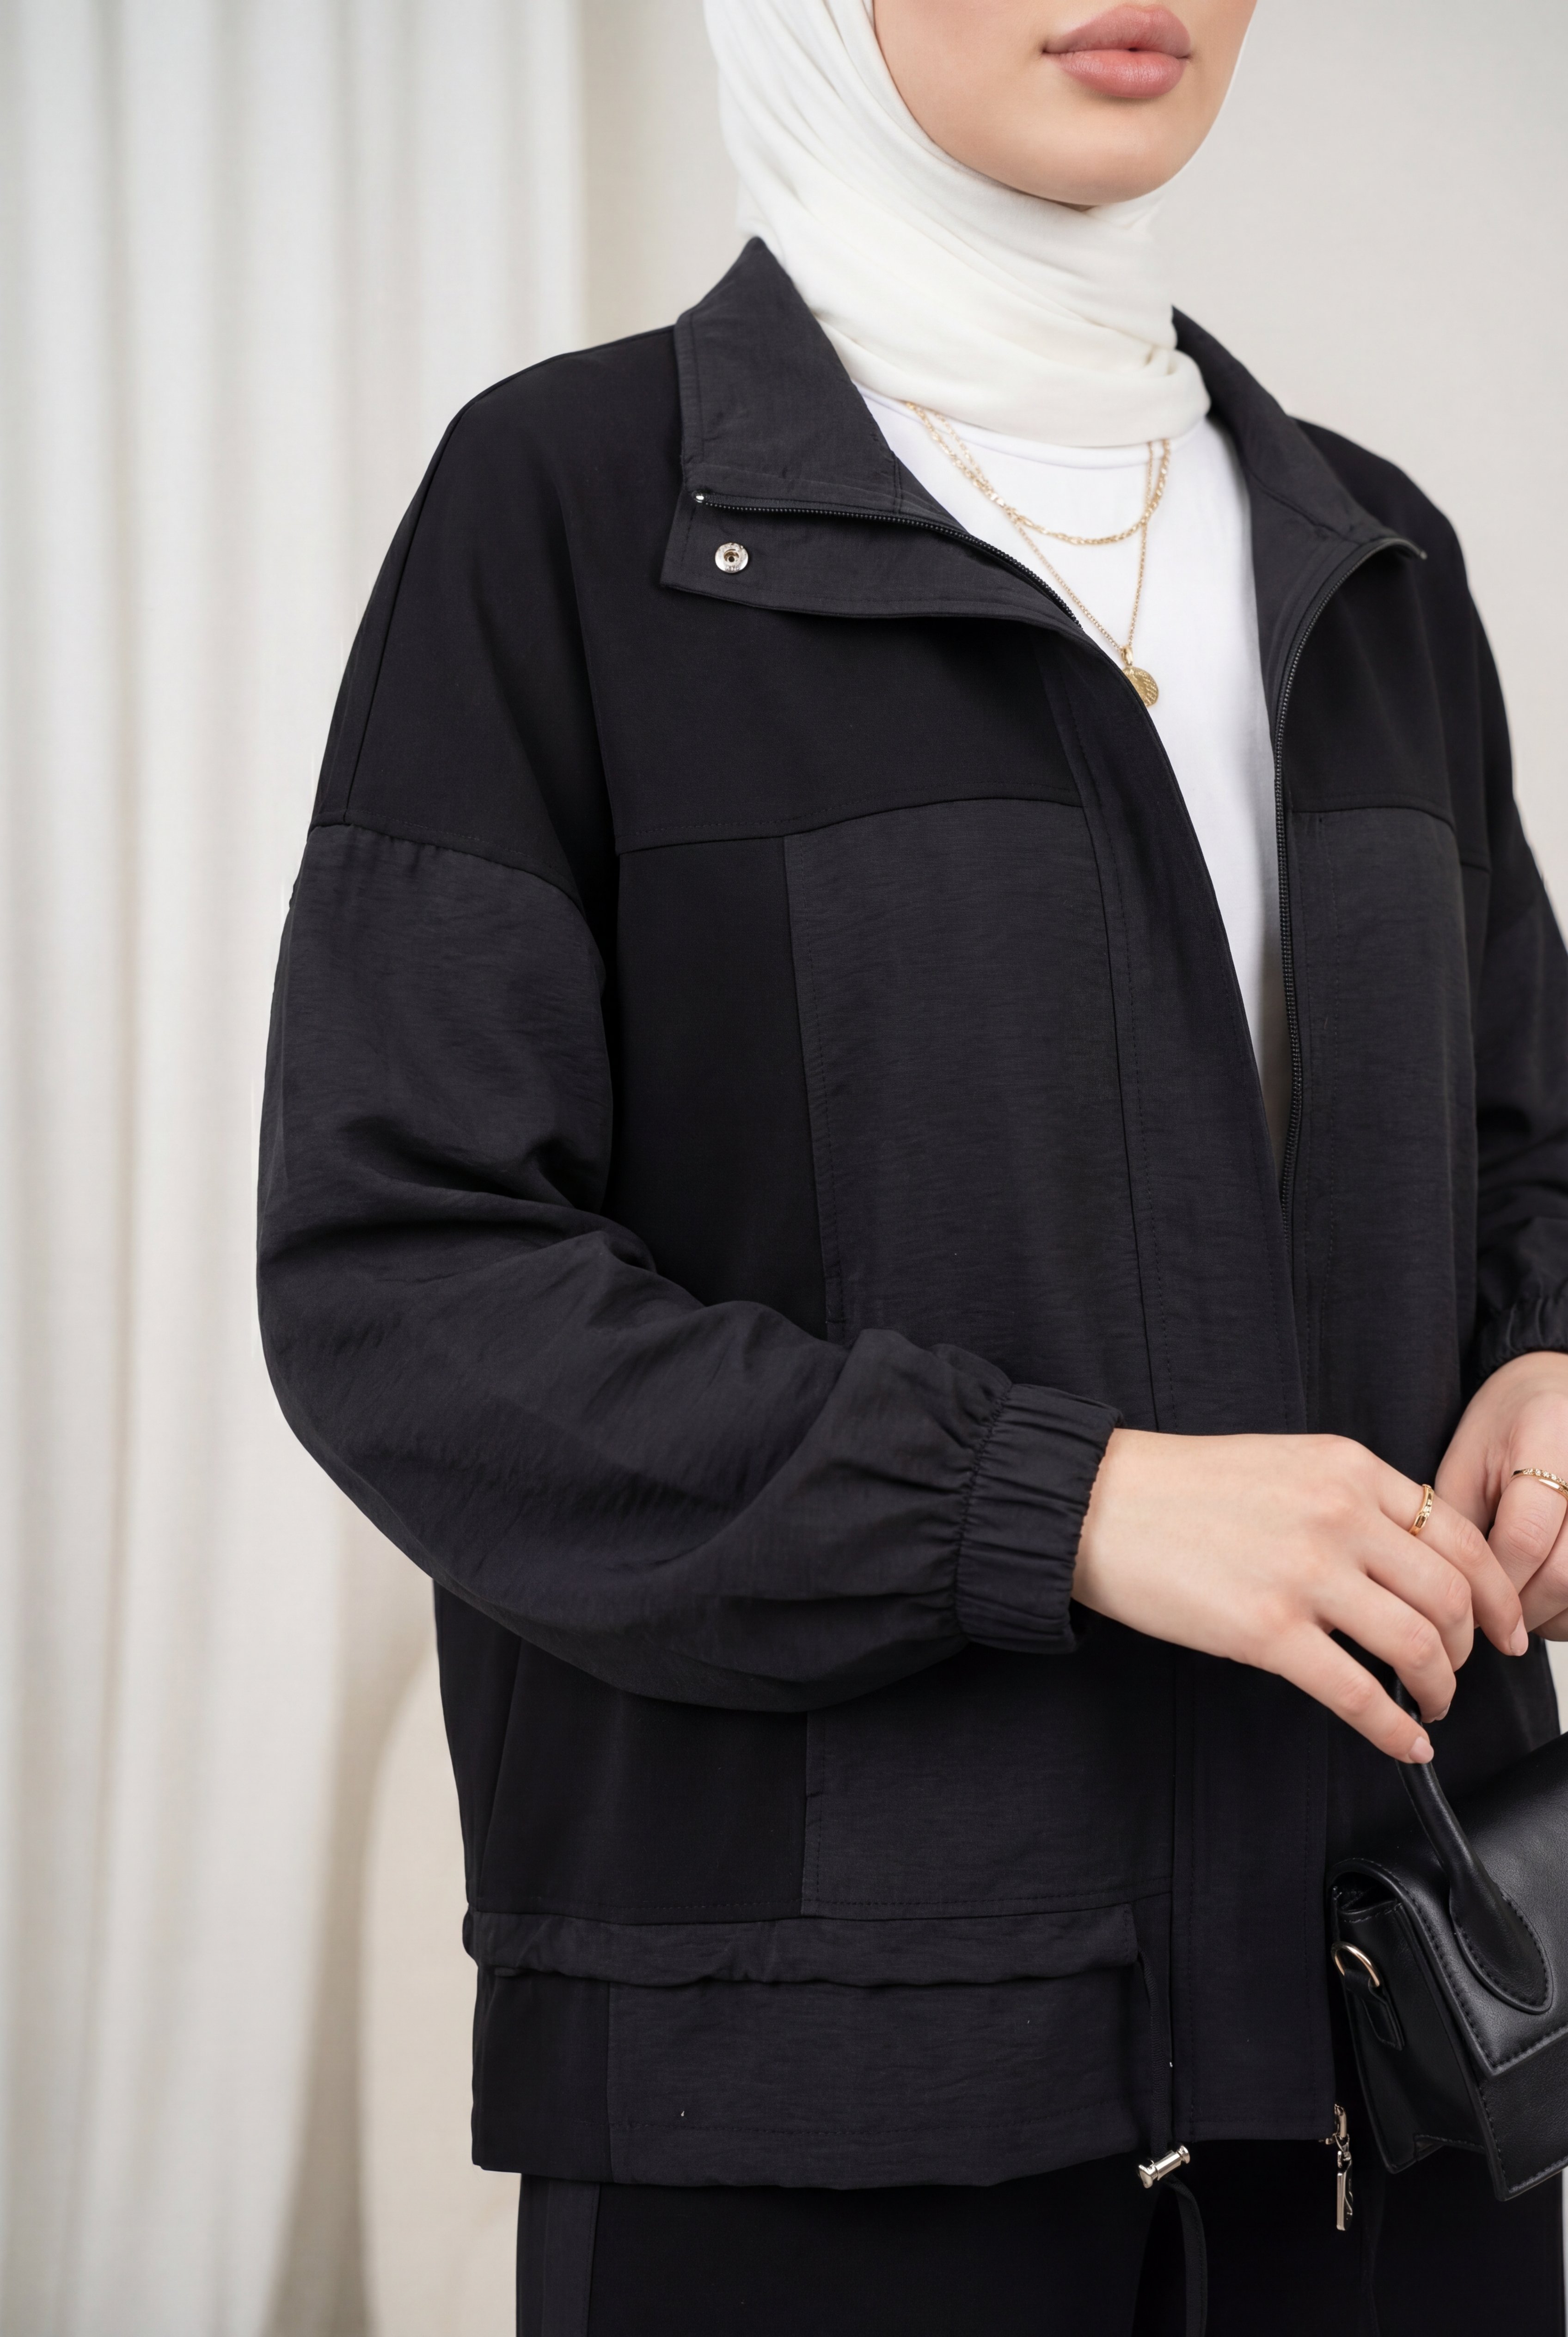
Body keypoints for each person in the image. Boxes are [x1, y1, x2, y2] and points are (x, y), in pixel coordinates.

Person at [256, 2, 1568, 2330]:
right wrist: (1054, 1502)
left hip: (1398, 2066)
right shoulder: (571, 513)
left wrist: (1549, 1359)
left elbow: (1520, 1155)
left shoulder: (1368, 555)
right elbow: (407, 1285)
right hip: (824, 2112)